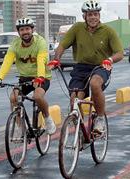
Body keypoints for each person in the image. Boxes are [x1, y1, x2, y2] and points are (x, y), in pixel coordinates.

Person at [48, 0, 123, 134]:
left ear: (99, 16)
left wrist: (109, 60)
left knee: (95, 84)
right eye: (89, 15)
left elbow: (120, 53)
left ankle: (100, 118)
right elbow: (63, 45)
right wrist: (56, 59)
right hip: (81, 68)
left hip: (101, 67)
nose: (93, 17)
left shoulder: (108, 31)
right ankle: (80, 130)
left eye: (95, 14)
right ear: (84, 17)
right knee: (74, 100)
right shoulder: (77, 28)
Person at [0, 17, 56, 134]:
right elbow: (7, 61)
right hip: (24, 78)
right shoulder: (15, 45)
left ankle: (47, 118)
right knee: (13, 98)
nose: (25, 32)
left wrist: (40, 77)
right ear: (18, 32)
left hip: (42, 77)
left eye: (27, 29)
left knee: (38, 96)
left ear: (32, 29)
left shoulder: (40, 42)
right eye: (22, 30)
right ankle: (21, 128)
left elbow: (41, 60)